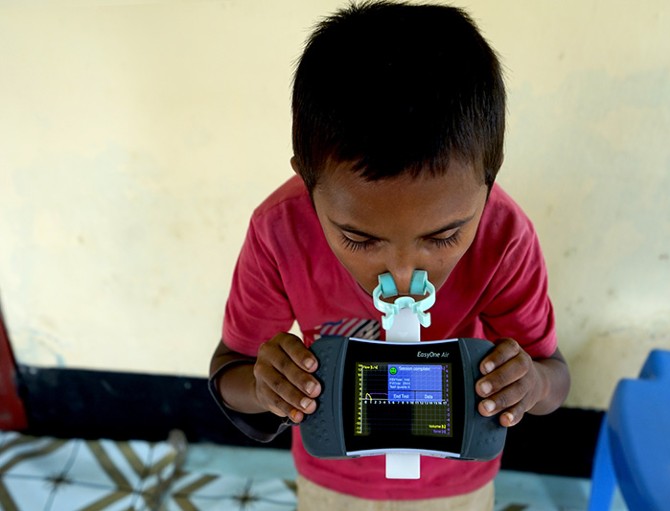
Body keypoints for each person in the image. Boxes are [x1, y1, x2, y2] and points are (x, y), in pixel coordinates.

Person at [209, 2, 570, 509]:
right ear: (309, 180)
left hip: (457, 489)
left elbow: (553, 375)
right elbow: (230, 371)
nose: (404, 275)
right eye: (358, 239)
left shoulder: (504, 238)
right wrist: (267, 387)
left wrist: (529, 384)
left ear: (490, 179)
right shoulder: (280, 232)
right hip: (332, 482)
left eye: (444, 237)